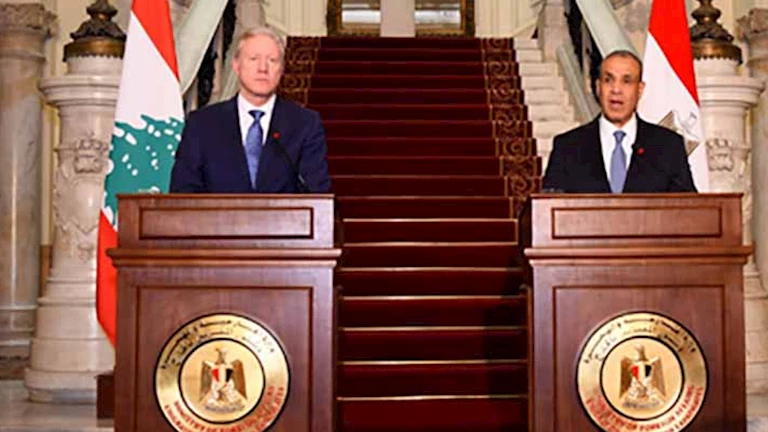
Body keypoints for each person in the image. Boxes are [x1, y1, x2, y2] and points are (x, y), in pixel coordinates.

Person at [170, 26, 330, 193]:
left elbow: (317, 193)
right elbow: (183, 193)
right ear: (236, 66)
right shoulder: (202, 124)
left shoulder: (305, 124)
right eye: (254, 59)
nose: (263, 68)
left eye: (272, 60)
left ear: (282, 69)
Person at [542, 50, 696, 193]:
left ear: (640, 90)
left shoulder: (668, 146)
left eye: (626, 81)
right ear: (598, 87)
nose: (616, 89)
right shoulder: (567, 147)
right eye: (608, 80)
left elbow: (688, 207)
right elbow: (550, 207)